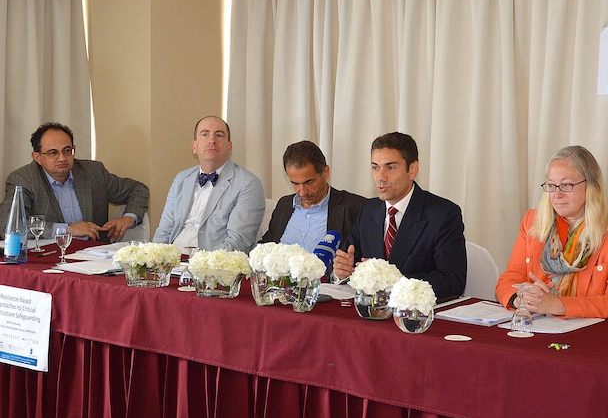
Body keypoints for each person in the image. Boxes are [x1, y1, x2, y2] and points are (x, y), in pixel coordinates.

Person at [495, 145, 608, 318]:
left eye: (566, 185)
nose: (557, 194)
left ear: (591, 186)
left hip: (593, 336)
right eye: (551, 185)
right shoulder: (532, 221)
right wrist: (521, 297)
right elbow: (509, 279)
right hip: (540, 326)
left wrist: (557, 305)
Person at [332, 132, 467, 299]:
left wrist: (393, 280)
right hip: (372, 311)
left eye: (390, 167)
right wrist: (341, 272)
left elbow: (452, 281)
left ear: (412, 170)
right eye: (375, 167)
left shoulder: (443, 214)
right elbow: (349, 260)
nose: (380, 177)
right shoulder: (368, 209)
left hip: (416, 315)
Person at [0, 122, 149, 242]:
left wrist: (129, 217)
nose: (62, 158)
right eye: (53, 153)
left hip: (94, 259)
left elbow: (138, 189)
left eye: (67, 150)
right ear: (37, 157)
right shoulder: (24, 179)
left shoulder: (93, 172)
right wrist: (67, 229)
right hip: (50, 261)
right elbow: (9, 226)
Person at [152, 115, 265, 254]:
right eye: (205, 134)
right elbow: (164, 230)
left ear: (229, 147)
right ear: (194, 146)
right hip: (172, 262)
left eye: (219, 135)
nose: (212, 140)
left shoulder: (248, 184)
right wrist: (155, 260)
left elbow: (238, 242)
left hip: (212, 266)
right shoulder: (181, 178)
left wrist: (201, 266)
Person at [261, 140, 366, 250]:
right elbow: (265, 247)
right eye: (295, 183)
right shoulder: (284, 205)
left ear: (325, 173)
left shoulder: (355, 208)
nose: (302, 192)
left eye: (309, 182)